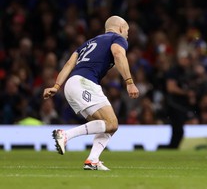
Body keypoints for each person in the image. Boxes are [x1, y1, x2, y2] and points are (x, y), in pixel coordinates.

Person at [43, 15, 139, 170]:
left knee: (108, 125)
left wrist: (56, 86)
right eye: (127, 31)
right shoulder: (118, 39)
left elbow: (69, 64)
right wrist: (129, 82)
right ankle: (65, 135)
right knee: (112, 123)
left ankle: (92, 160)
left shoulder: (88, 43)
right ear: (121, 28)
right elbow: (118, 54)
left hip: (71, 84)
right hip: (85, 83)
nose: (127, 35)